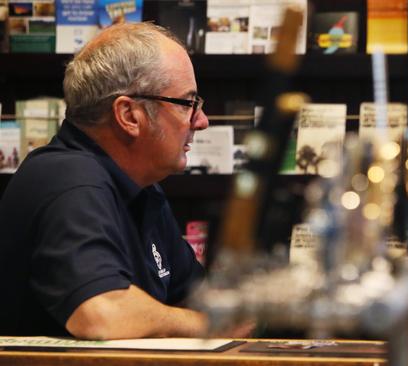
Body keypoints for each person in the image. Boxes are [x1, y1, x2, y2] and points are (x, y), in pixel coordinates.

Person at [0, 22, 234, 339]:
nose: (202, 121)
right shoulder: (68, 179)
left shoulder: (142, 187)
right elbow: (101, 313)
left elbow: (197, 297)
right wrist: (209, 327)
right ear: (128, 115)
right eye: (188, 104)